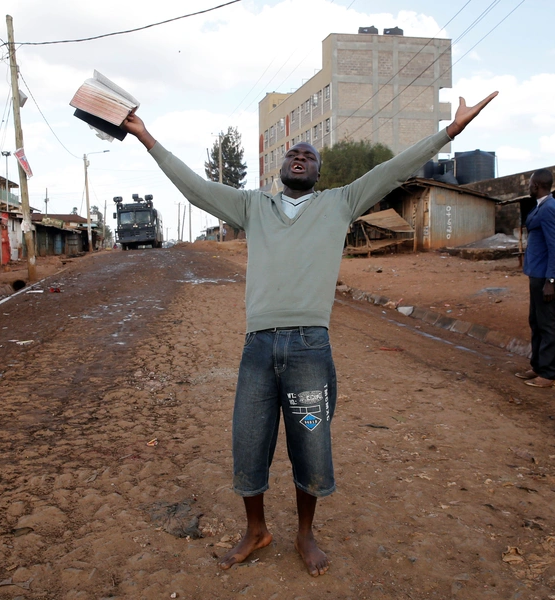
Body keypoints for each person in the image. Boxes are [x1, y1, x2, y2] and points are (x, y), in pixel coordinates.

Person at [123, 91, 498, 576]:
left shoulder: (340, 203)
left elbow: (394, 169)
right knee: (249, 440)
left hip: (308, 349)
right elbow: (196, 188)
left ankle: (305, 533)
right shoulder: (251, 206)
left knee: (311, 442)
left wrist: (452, 131)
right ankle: (256, 530)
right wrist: (145, 137)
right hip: (258, 346)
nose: (300, 157)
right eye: (292, 154)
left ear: (319, 173)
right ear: (280, 168)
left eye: (309, 156)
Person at [516, 169, 555, 388]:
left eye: (530, 184)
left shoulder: (550, 209)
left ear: (536, 186)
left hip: (545, 277)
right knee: (536, 321)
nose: (528, 187)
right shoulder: (540, 206)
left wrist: (551, 281)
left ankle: (549, 374)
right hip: (536, 274)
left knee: (548, 324)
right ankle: (537, 366)